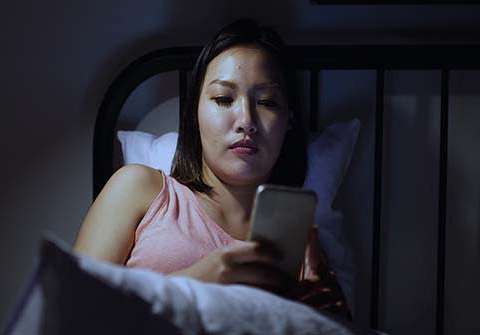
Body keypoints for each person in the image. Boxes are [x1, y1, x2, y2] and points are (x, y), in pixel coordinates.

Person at [73, 18, 351, 319]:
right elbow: (69, 313)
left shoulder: (301, 249)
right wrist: (193, 285)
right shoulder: (140, 190)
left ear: (289, 121)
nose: (246, 120)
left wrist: (333, 319)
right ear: (194, 114)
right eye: (223, 99)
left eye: (267, 102)